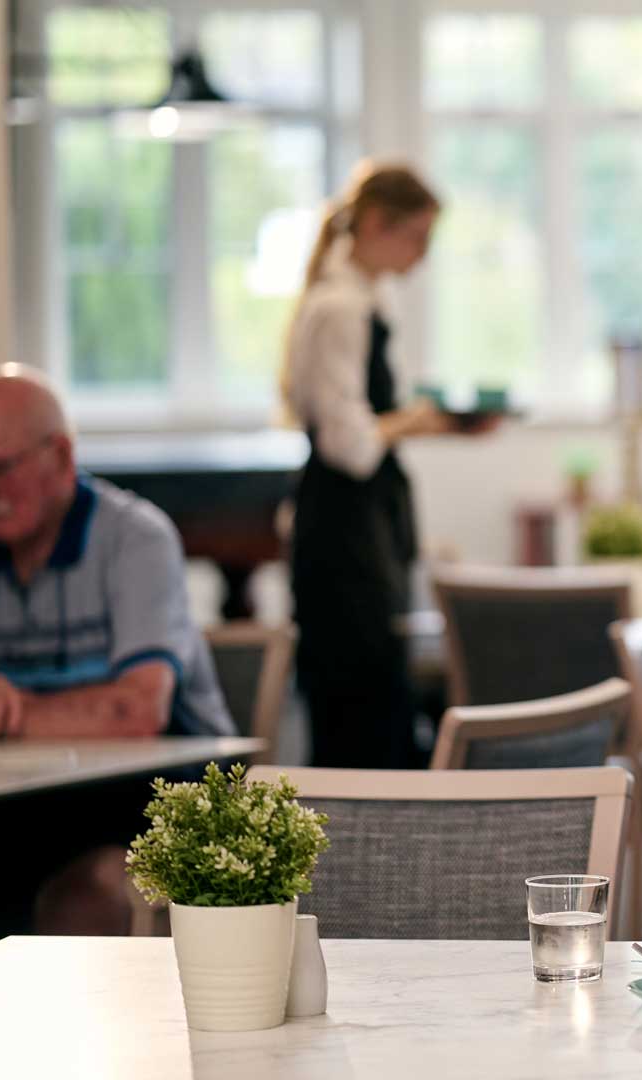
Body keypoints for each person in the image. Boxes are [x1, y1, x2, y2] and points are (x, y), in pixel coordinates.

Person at [0, 365, 232, 946]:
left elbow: (137, 714)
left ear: (60, 457)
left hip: (149, 810)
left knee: (87, 894)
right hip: (11, 813)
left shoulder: (136, 538)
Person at [281, 161, 482, 769]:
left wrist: (446, 426)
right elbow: (351, 444)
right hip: (344, 533)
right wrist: (420, 419)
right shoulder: (339, 308)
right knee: (358, 703)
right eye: (416, 236)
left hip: (358, 521)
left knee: (372, 695)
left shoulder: (363, 300)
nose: (422, 255)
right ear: (375, 224)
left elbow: (368, 423)